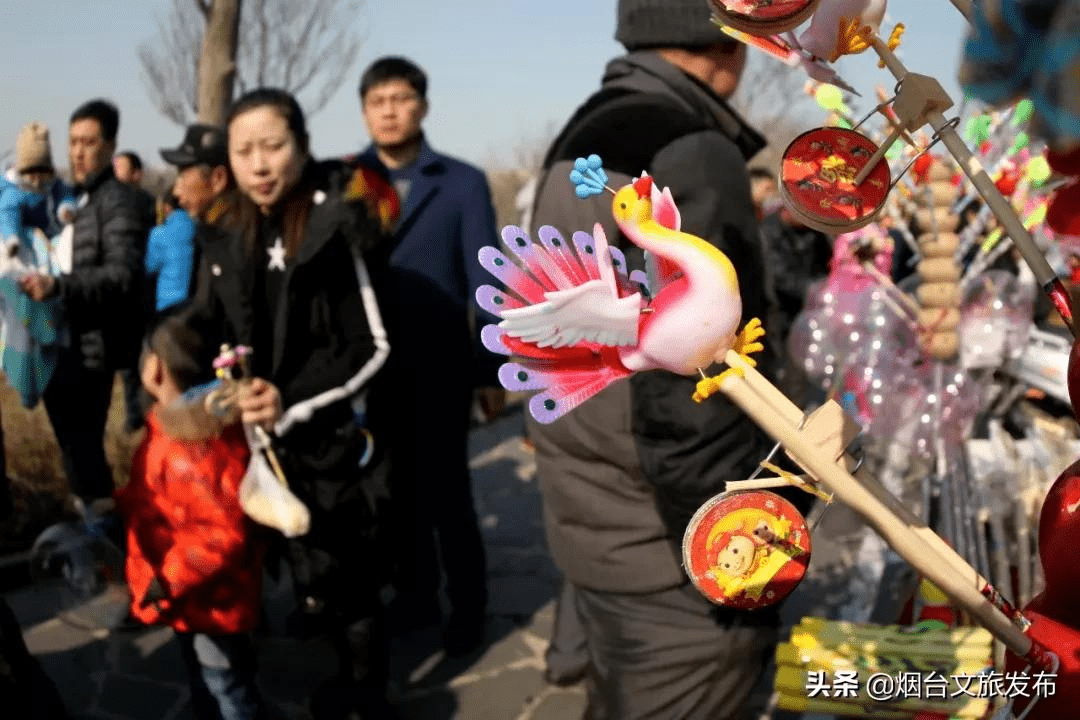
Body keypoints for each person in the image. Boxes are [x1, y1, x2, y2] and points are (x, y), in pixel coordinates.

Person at [523, 2, 802, 717]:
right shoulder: (686, 148)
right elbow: (697, 395)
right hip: (670, 551)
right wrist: (743, 540)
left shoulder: (585, 133)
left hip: (598, 517)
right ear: (733, 37)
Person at [192, 87, 396, 719]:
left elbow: (373, 346)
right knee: (308, 569)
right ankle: (336, 659)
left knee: (352, 585)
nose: (259, 165)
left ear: (302, 148)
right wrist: (170, 353)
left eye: (273, 147)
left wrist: (290, 400)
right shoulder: (229, 228)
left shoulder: (335, 223)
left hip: (334, 444)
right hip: (268, 449)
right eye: (244, 150)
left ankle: (366, 698)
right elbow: (208, 321)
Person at [351, 55, 500, 655]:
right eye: (376, 102)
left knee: (448, 494)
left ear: (422, 105)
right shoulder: (347, 180)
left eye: (399, 98)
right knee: (392, 492)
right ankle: (414, 597)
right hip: (371, 369)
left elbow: (486, 281)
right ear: (364, 112)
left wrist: (491, 369)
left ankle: (469, 609)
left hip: (441, 366)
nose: (388, 111)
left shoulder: (460, 181)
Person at [116, 305, 268, 720]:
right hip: (192, 597)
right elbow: (158, 497)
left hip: (207, 598)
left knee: (227, 687)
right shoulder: (186, 425)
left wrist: (167, 581)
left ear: (154, 369)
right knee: (209, 676)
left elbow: (220, 536)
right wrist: (121, 504)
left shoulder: (189, 450)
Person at [20, 99, 149, 517]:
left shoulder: (119, 202)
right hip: (62, 340)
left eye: (89, 142)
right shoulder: (77, 200)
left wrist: (59, 286)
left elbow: (122, 277)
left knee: (84, 452)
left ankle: (105, 541)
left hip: (92, 347)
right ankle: (93, 532)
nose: (78, 152)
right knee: (75, 451)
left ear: (111, 146)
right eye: (73, 142)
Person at [145, 124, 232, 313]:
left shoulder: (234, 240)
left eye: (183, 176)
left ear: (217, 179)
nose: (176, 191)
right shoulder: (207, 234)